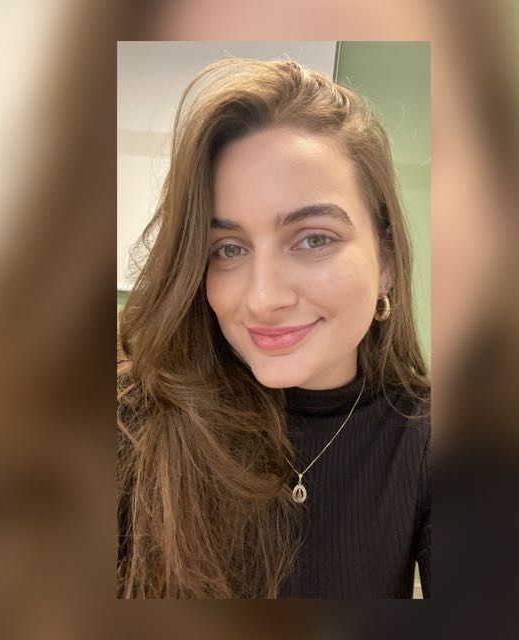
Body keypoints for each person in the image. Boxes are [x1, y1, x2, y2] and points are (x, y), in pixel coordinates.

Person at [117, 58, 430, 599]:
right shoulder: (133, 422)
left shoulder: (426, 437)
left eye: (314, 239)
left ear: (385, 260)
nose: (263, 299)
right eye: (229, 249)